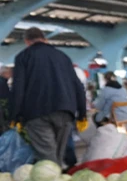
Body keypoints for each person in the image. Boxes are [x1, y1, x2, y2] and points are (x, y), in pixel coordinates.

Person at [10, 28, 87, 165]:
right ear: (45, 39)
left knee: (48, 159)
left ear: (27, 41)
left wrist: (15, 115)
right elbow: (78, 86)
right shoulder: (63, 56)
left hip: (36, 113)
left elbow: (18, 89)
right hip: (65, 112)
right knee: (57, 156)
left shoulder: (23, 57)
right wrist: (82, 114)